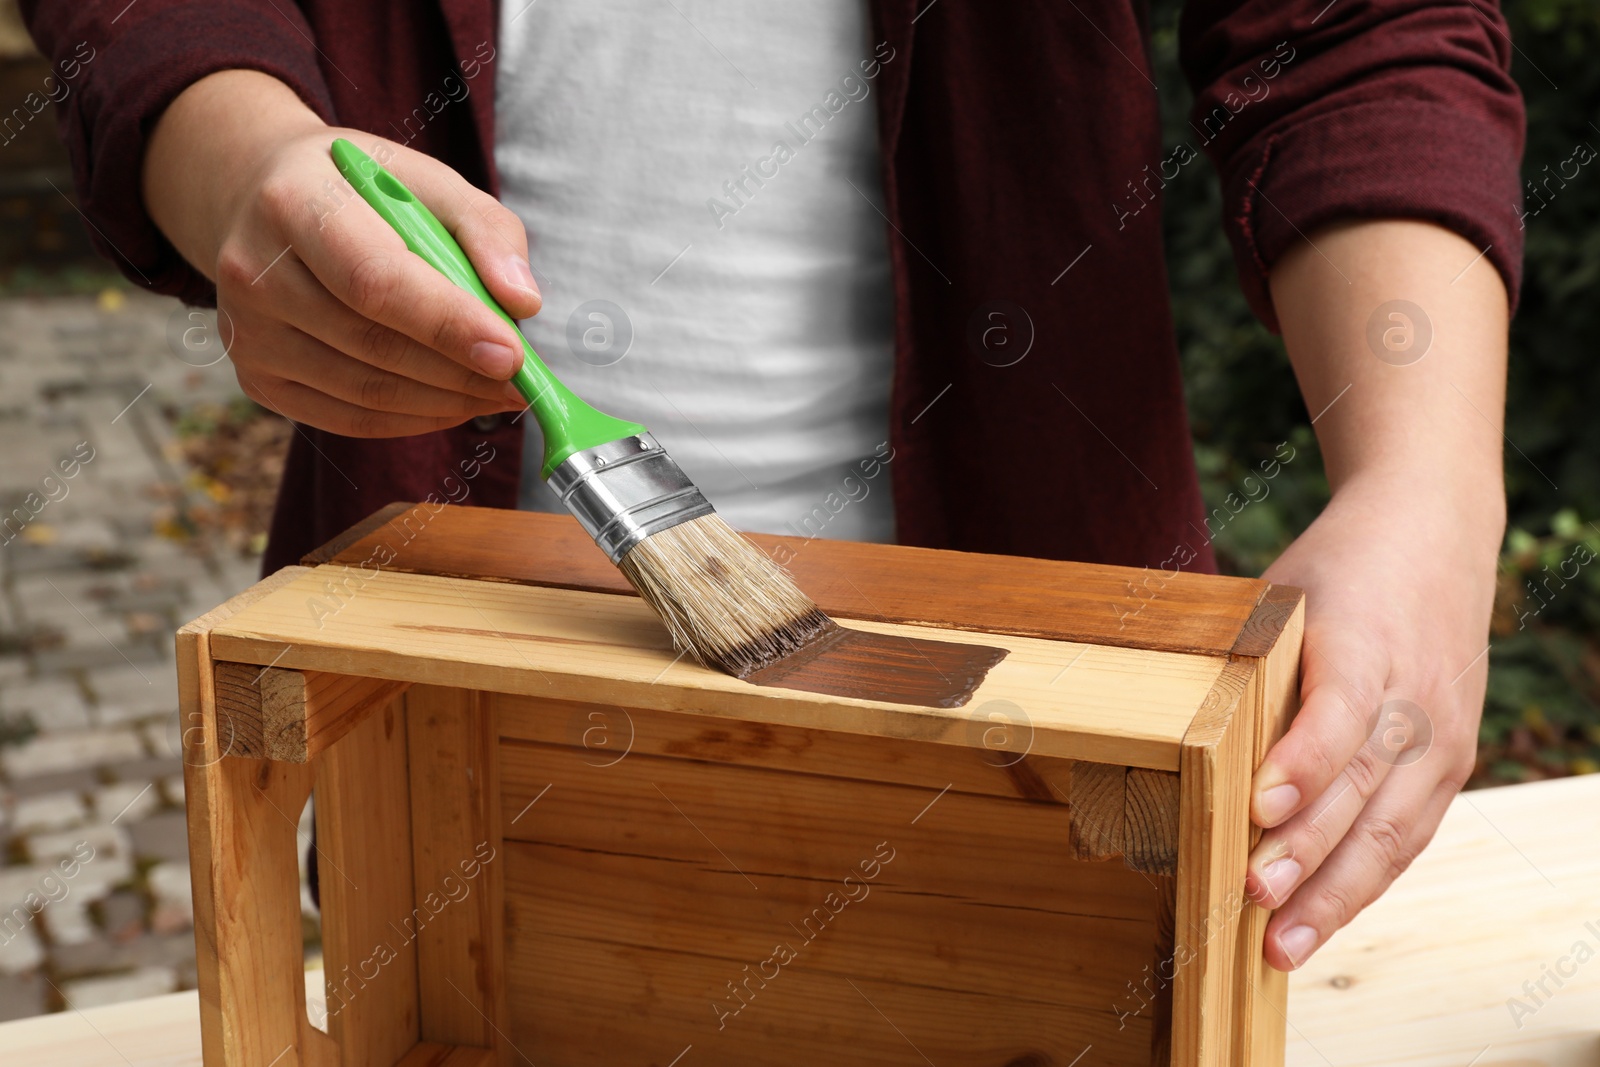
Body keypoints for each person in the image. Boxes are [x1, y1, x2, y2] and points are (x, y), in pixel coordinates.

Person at [24, 0, 1524, 973]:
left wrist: (1430, 488)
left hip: (1055, 717)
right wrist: (247, 161)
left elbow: (1357, 31)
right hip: (447, 725)